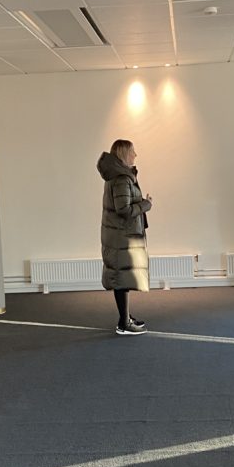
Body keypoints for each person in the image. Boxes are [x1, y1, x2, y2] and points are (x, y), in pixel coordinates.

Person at [96, 140, 152, 335]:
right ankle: (123, 324)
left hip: (119, 235)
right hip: (122, 236)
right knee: (122, 279)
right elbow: (124, 210)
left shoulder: (118, 176)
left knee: (123, 278)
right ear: (124, 154)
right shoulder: (121, 178)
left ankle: (125, 316)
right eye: (132, 151)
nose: (135, 155)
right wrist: (146, 205)